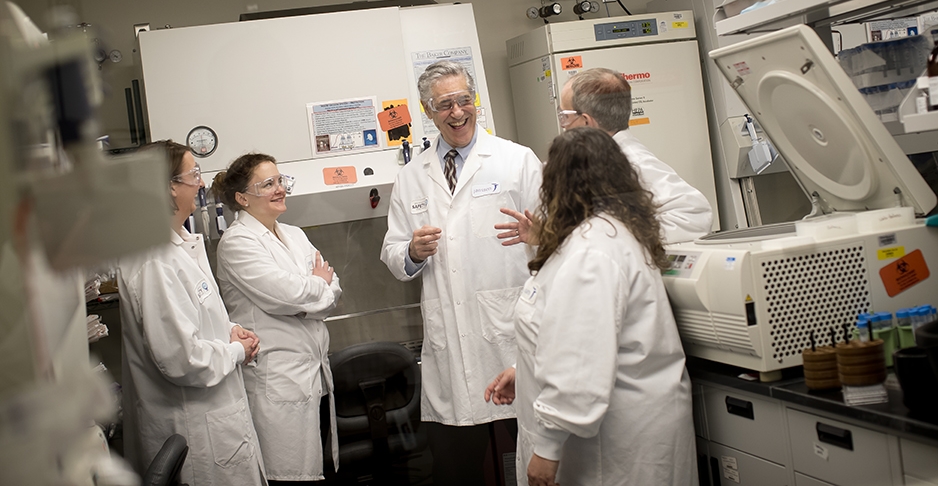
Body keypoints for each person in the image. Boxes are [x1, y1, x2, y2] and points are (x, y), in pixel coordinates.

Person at [485, 127, 697, 486]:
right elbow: (577, 333)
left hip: (615, 444)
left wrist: (547, 449)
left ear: (558, 186)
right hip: (620, 429)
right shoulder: (602, 234)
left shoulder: (593, 251)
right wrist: (527, 371)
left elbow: (581, 359)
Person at [380, 60, 542, 484]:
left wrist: (539, 233)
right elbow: (394, 254)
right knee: (455, 471)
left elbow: (559, 238)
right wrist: (412, 251)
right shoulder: (413, 177)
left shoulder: (516, 160)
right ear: (426, 110)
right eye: (444, 104)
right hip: (449, 345)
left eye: (464, 100)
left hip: (510, 339)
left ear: (476, 102)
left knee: (536, 461)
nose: (457, 112)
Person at [116, 140, 266, 486]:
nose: (201, 182)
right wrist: (236, 351)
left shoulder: (179, 244)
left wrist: (229, 330)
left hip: (214, 423)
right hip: (195, 433)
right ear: (167, 187)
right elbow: (181, 359)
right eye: (193, 174)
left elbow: (195, 317)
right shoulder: (153, 258)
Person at [213, 153, 341, 483]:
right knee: (287, 476)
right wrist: (314, 290)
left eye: (280, 181)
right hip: (277, 379)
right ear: (242, 198)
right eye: (268, 183)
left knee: (318, 469)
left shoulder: (295, 234)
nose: (279, 188)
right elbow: (285, 294)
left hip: (314, 377)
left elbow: (333, 289)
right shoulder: (237, 242)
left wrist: (310, 297)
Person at [558, 67, 712, 244]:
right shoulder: (601, 161)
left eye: (564, 116)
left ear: (586, 121)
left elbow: (695, 215)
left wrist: (620, 237)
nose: (563, 125)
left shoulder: (632, 161)